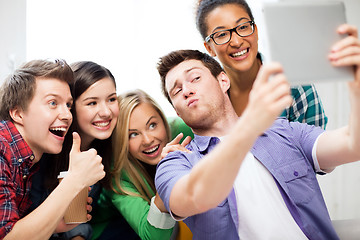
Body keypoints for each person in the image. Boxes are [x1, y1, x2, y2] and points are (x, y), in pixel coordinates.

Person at [155, 23, 360, 240]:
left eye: (195, 78)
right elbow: (193, 196)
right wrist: (249, 126)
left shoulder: (284, 131)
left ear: (223, 80)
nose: (186, 90)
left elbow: (352, 144)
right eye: (176, 91)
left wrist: (356, 89)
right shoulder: (175, 161)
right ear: (176, 111)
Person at [29, 61, 139, 240]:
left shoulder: (101, 151)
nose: (106, 112)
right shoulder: (46, 150)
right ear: (70, 107)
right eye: (92, 103)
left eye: (111, 99)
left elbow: (76, 220)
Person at [0, 59, 105, 239]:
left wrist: (54, 224)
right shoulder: (2, 149)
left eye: (68, 105)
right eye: (53, 103)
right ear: (17, 113)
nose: (66, 115)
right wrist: (75, 180)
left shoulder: (27, 161)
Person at [195, 0, 328, 128]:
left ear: (256, 31)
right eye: (222, 34)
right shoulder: (206, 97)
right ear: (209, 48)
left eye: (243, 27)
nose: (236, 42)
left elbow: (316, 148)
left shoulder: (294, 85)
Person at [91, 89, 192, 240]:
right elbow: (153, 237)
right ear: (122, 141)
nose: (147, 140)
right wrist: (166, 180)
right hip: (113, 230)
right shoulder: (117, 176)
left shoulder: (181, 131)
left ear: (163, 120)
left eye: (152, 125)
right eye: (133, 134)